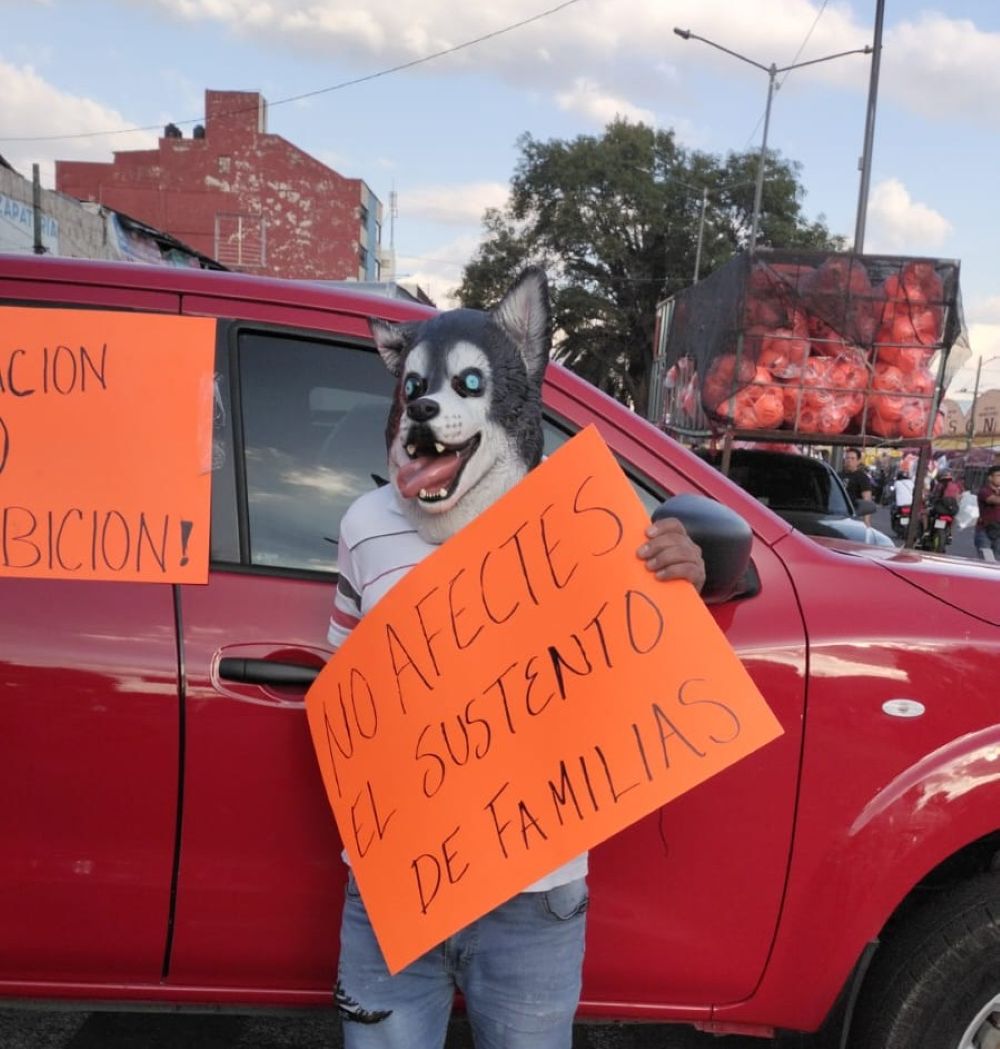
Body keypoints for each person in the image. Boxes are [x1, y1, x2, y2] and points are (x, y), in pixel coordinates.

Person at [326, 267, 708, 1049]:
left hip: (533, 897)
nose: (434, 407)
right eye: (420, 389)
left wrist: (683, 576)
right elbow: (341, 694)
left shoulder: (591, 523)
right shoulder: (365, 525)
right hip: (394, 888)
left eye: (468, 384)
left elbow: (642, 659)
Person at [840, 446, 874, 526]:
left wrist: (866, 521)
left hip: (853, 516)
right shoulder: (839, 475)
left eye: (852, 458)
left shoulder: (862, 477)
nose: (849, 461)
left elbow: (867, 499)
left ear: (858, 461)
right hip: (838, 513)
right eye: (847, 458)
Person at [974, 465, 1000, 562]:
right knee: (986, 561)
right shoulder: (985, 491)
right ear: (990, 477)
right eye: (998, 475)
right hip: (985, 531)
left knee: (997, 563)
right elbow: (993, 500)